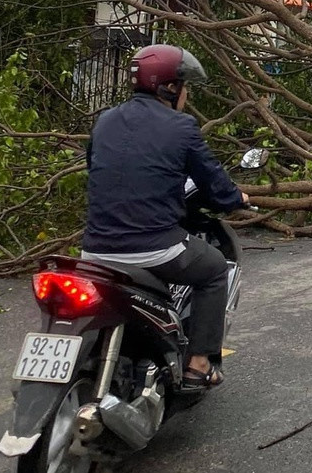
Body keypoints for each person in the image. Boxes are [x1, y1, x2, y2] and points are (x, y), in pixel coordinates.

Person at [83, 44, 249, 390]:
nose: (186, 94)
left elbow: (97, 169)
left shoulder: (105, 121)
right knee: (215, 268)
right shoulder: (182, 127)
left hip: (94, 251)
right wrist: (237, 198)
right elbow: (215, 186)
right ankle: (200, 364)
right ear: (170, 88)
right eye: (185, 86)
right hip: (153, 250)